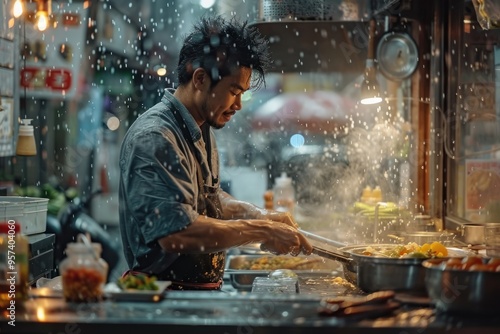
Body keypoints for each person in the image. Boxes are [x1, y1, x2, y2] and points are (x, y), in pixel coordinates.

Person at [118, 15, 312, 290]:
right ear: (200, 78)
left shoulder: (200, 127)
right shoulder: (156, 137)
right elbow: (177, 233)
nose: (239, 105)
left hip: (194, 294)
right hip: (163, 298)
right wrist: (262, 230)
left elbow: (206, 196)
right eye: (234, 92)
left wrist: (256, 214)